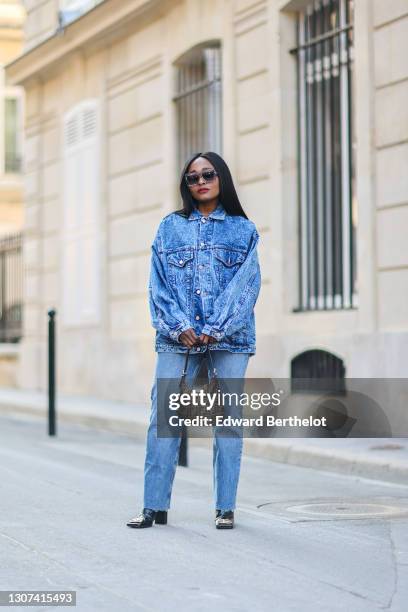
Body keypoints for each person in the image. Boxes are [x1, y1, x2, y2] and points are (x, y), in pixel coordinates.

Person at [126, 151, 261, 530]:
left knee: (227, 422)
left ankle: (225, 507)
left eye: (208, 174)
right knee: (164, 420)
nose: (200, 181)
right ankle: (153, 507)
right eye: (192, 177)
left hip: (229, 340)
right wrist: (178, 325)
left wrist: (216, 328)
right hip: (176, 339)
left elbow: (246, 286)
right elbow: (157, 284)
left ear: (222, 179)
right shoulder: (169, 228)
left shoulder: (243, 230)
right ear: (185, 185)